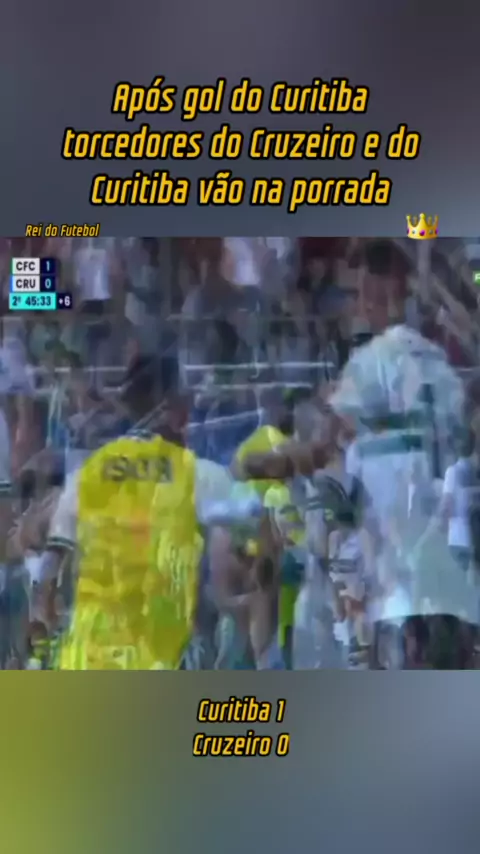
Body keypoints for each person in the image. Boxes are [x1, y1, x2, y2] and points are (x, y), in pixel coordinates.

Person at [238, 240, 475, 668]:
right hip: (447, 579)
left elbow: (321, 443)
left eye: (358, 292)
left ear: (374, 294)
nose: (356, 304)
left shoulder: (373, 361)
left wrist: (269, 462)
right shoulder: (440, 365)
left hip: (394, 581)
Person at [35, 354, 262, 670]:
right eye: (183, 397)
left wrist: (40, 637)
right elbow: (262, 537)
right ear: (172, 407)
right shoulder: (198, 475)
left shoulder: (87, 473)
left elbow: (48, 566)